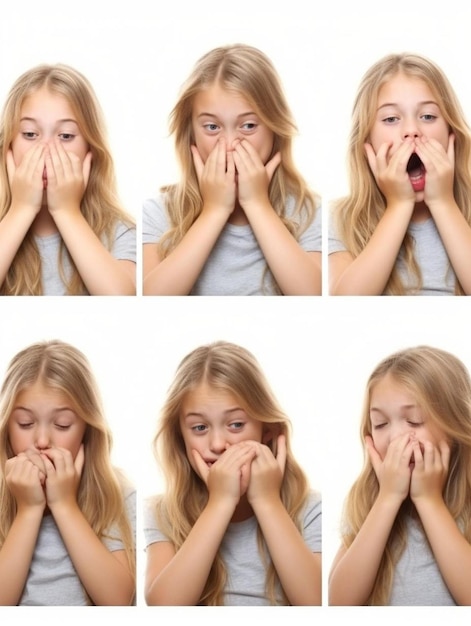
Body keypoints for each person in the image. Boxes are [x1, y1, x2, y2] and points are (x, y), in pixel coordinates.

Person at [144, 341, 321, 605]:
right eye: (200, 428)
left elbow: (317, 602)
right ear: (179, 438)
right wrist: (220, 502)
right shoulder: (163, 512)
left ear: (268, 431)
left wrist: (268, 501)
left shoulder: (309, 507)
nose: (217, 444)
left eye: (236, 424)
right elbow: (164, 607)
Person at [142, 44, 321, 295]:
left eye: (248, 125)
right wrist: (214, 210)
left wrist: (257, 204)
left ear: (275, 128)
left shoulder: (308, 212)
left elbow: (314, 296)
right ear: (190, 132)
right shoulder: (158, 214)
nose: (228, 145)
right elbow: (151, 299)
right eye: (212, 127)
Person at [329, 345, 471, 605]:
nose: (395, 437)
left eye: (414, 420)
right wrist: (388, 498)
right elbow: (340, 602)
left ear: (454, 427)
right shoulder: (368, 501)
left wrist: (429, 501)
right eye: (381, 424)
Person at [0, 340, 135, 605]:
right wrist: (28, 510)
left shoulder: (115, 493)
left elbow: (118, 601)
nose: (41, 440)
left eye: (62, 425)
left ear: (87, 428)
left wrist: (64, 504)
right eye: (25, 424)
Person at [328, 53, 471, 295]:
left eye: (427, 116)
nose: (412, 131)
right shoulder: (341, 218)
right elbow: (345, 306)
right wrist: (398, 205)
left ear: (451, 132)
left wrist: (443, 201)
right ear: (367, 141)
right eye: (391, 119)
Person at [0, 64, 136, 295]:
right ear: (8, 145)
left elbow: (121, 300)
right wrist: (21, 209)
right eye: (30, 134)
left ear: (89, 149)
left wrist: (66, 211)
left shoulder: (119, 232)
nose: (47, 151)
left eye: (65, 136)